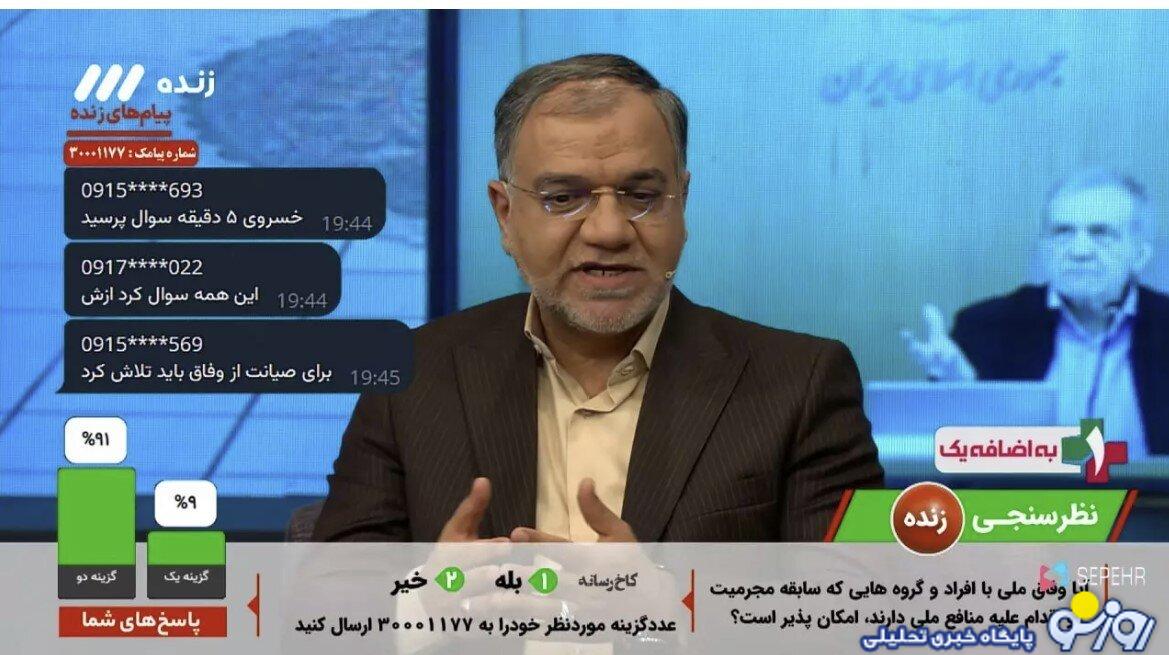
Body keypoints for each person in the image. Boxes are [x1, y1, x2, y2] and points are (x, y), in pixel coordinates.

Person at [313, 53, 883, 544]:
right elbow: (326, 601)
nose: (608, 231)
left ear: (681, 203)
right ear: (505, 215)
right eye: (564, 198)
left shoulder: (803, 384)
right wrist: (425, 603)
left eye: (641, 194)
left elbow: (855, 607)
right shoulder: (410, 377)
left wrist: (670, 612)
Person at [903, 168, 1169, 456]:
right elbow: (953, 455)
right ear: (1044, 249)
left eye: (1101, 233)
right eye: (1063, 232)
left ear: (1140, 255)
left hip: (1151, 487)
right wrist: (962, 387)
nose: (1080, 251)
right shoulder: (986, 326)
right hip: (1024, 487)